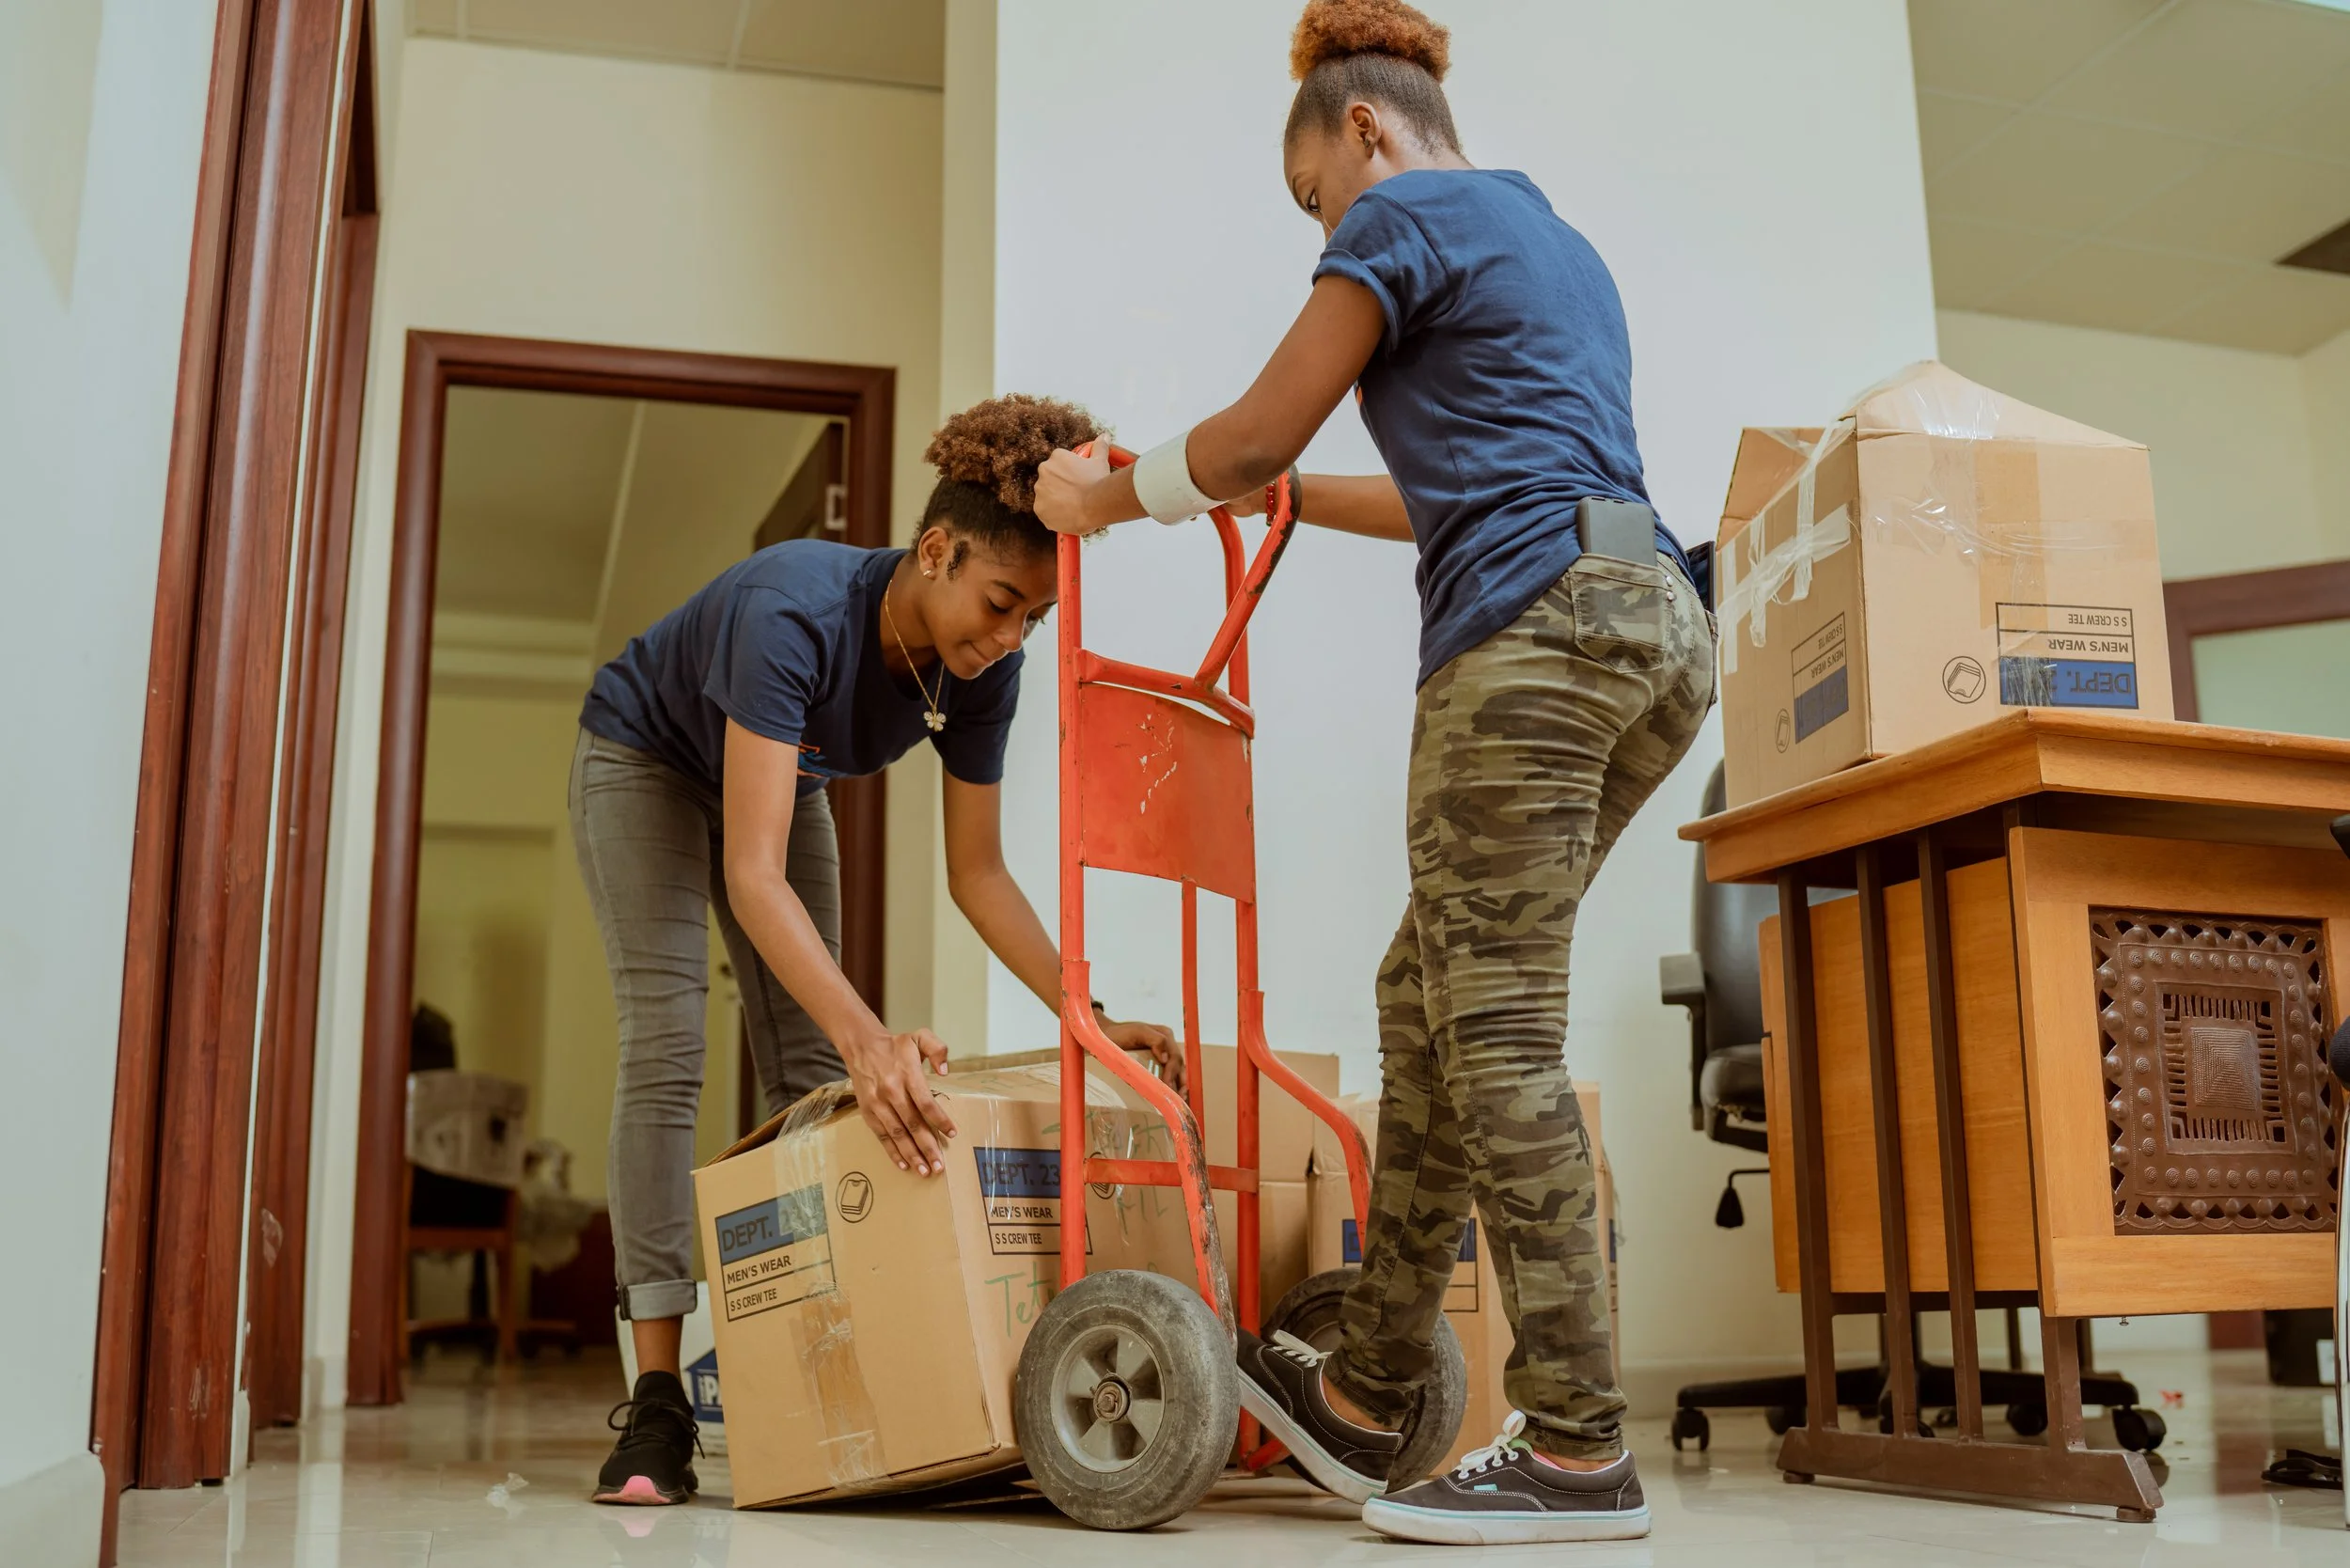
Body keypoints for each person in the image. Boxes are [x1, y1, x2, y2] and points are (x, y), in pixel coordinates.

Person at [1033, 0, 1715, 1545]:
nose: (1322, 233)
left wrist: (1108, 495)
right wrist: (1279, 507)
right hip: (1653, 622)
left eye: (1312, 202)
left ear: (1361, 132)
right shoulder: (1552, 244)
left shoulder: (1399, 215)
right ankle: (1368, 1376)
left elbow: (1256, 431)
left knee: (1494, 1032)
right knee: (1432, 991)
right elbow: (1457, 486)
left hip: (1532, 648)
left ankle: (1578, 1446)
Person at [575, 395, 1176, 1506]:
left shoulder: (985, 669)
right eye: (999, 603)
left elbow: (978, 874)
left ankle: (805, 1377)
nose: (1005, 639)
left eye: (1031, 621)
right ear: (936, 550)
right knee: (669, 1044)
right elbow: (752, 875)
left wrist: (1077, 1013)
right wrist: (871, 1036)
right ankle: (657, 1400)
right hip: (645, 763)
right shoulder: (792, 607)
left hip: (780, 774)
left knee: (810, 1074)